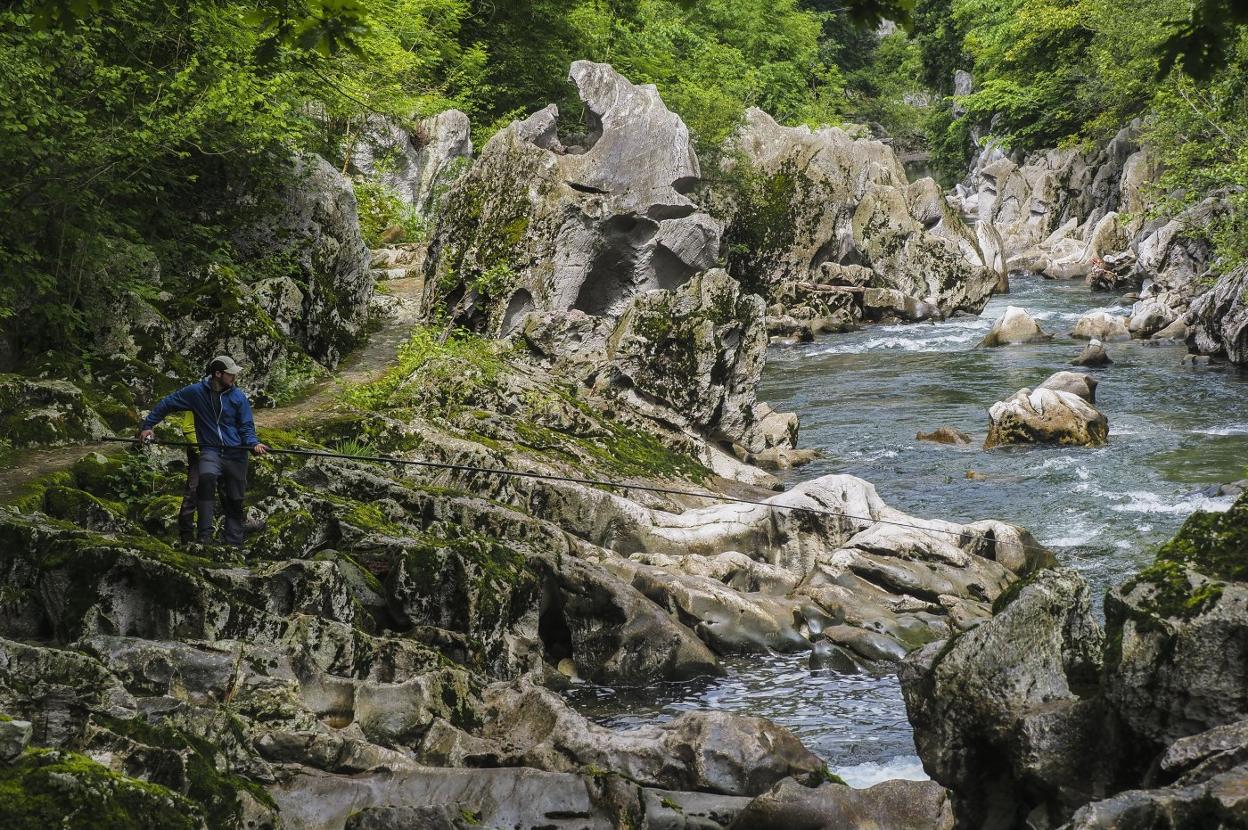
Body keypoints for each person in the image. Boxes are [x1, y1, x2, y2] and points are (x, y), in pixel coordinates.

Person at [139, 355, 268, 548]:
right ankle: (204, 538)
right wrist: (148, 425)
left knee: (235, 498)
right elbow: (168, 403)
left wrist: (253, 444)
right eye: (230, 373)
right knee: (206, 479)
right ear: (218, 374)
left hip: (236, 453)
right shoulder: (195, 392)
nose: (234, 377)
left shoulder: (238, 397)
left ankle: (233, 543)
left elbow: (246, 426)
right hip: (210, 450)